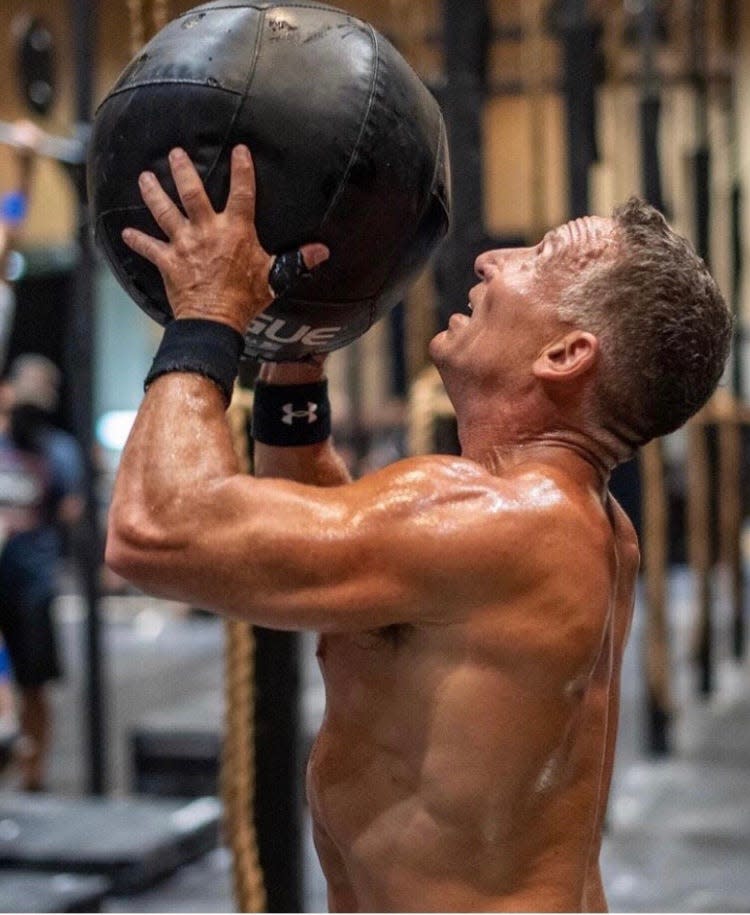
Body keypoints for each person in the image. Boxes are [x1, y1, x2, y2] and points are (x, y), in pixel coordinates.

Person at [106, 146, 731, 911]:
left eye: (537, 255)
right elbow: (333, 558)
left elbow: (154, 527)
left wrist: (205, 317)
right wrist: (297, 352)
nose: (492, 261)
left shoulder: (497, 519)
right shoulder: (581, 527)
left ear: (566, 354)